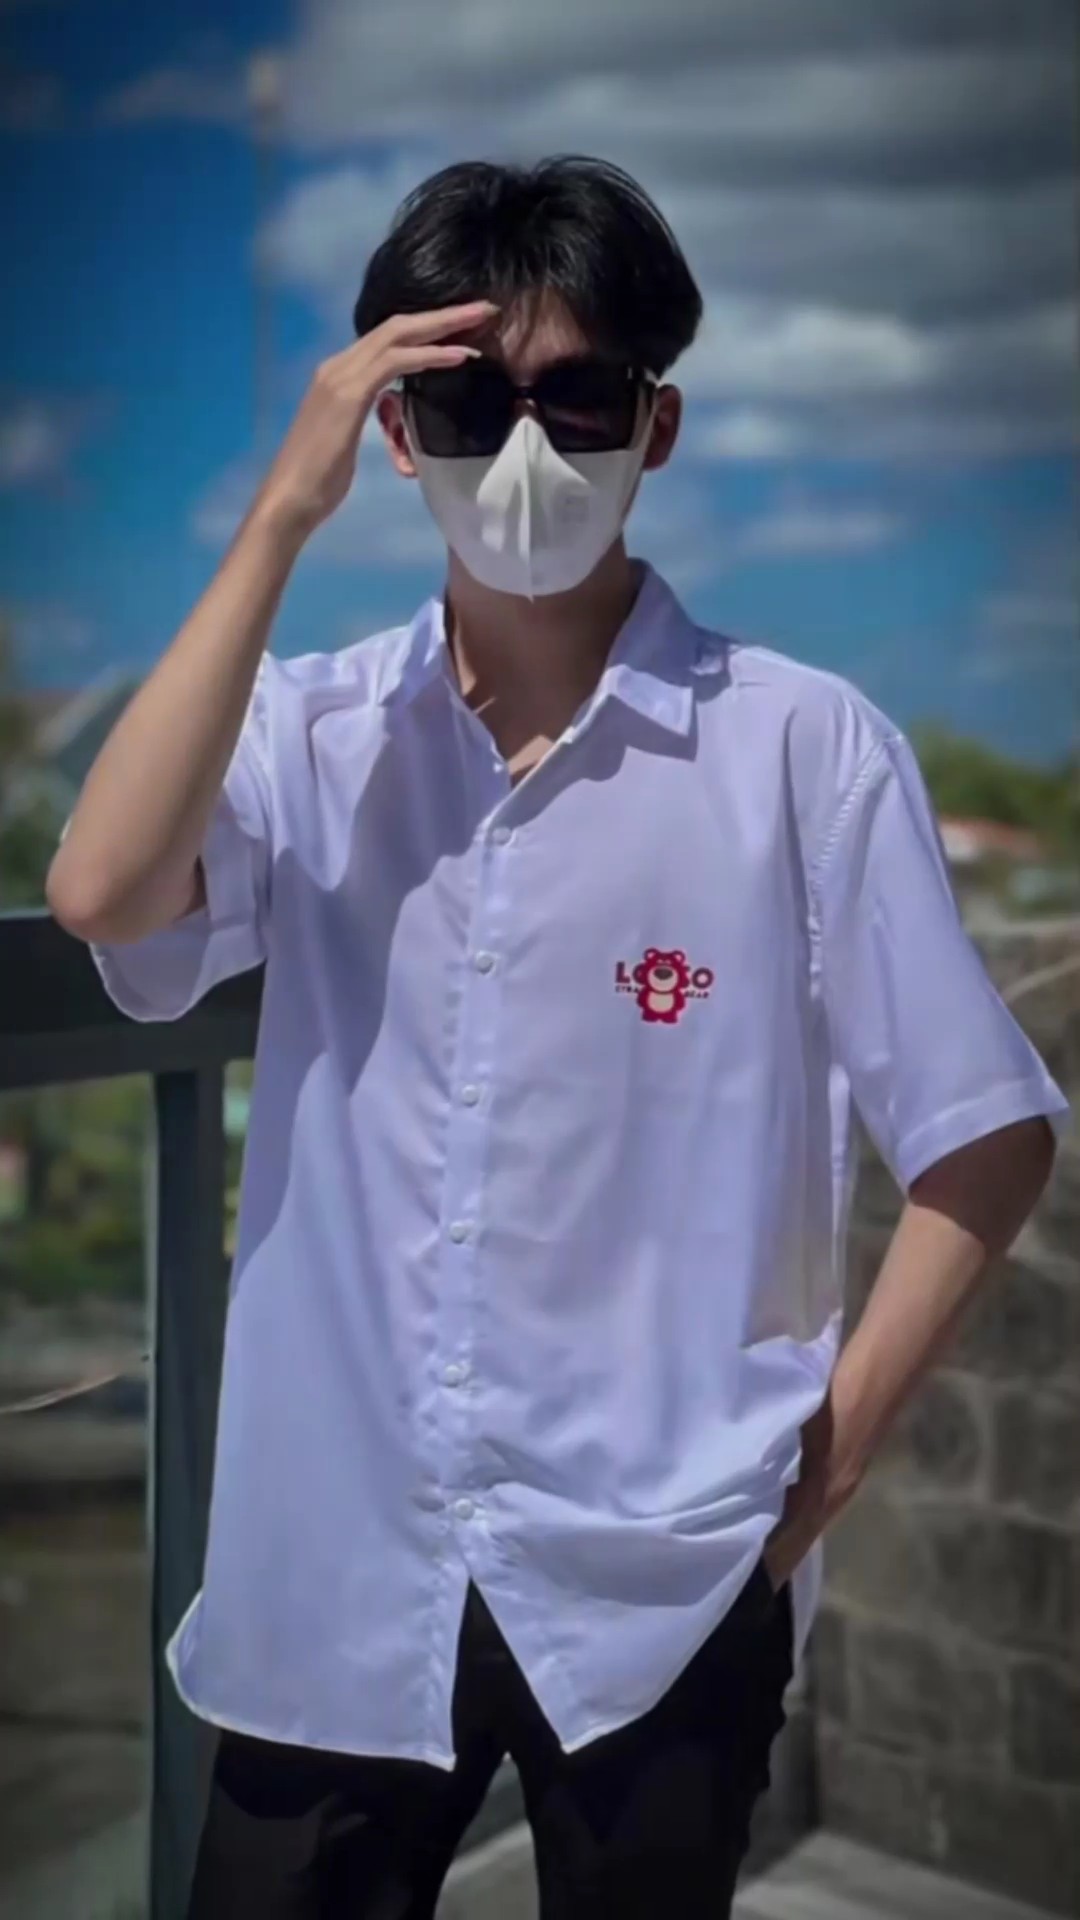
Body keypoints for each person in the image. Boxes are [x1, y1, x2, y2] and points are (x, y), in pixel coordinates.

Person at [48, 157, 1068, 1919]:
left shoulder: (801, 751)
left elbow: (985, 1132)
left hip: (666, 1583)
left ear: (655, 425)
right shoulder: (310, 736)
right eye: (467, 399)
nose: (525, 448)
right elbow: (103, 890)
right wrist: (278, 517)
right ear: (395, 430)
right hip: (338, 1575)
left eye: (578, 395)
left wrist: (819, 1478)